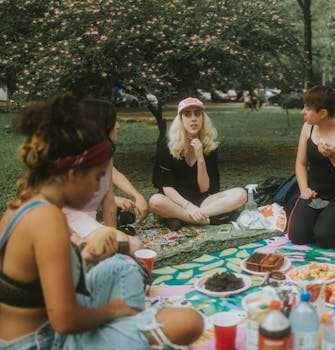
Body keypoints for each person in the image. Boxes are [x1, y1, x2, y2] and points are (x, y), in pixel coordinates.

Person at [0, 93, 203, 349]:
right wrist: (114, 310)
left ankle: (127, 327)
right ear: (73, 174)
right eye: (97, 178)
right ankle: (127, 328)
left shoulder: (29, 203)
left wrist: (87, 255)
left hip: (50, 321)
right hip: (43, 341)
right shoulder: (46, 219)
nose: (100, 187)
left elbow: (34, 278)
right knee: (188, 322)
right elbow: (65, 321)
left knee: (123, 266)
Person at [62, 98, 144, 255]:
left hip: (87, 224)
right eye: (114, 121)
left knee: (133, 246)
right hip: (65, 223)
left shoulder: (106, 156)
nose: (118, 126)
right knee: (133, 247)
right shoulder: (73, 159)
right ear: (101, 125)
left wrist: (112, 236)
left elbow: (108, 202)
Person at [149, 97, 247, 226]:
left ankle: (184, 218)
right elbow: (167, 187)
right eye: (187, 114)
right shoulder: (167, 145)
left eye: (197, 113)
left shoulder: (209, 145)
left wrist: (200, 158)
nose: (193, 118)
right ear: (181, 120)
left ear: (203, 119)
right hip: (175, 201)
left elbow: (204, 188)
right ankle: (206, 219)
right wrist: (188, 206)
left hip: (203, 201)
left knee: (241, 194)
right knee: (155, 201)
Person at [287, 86, 335, 248]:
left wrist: (334, 156)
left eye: (307, 108)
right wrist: (304, 189)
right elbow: (300, 164)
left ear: (323, 113)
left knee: (324, 238)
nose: (302, 112)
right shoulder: (308, 128)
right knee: (298, 235)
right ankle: (325, 218)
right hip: (315, 195)